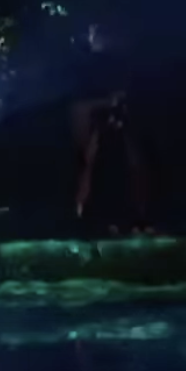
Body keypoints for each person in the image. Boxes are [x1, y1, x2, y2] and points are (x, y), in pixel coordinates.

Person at [73, 23, 151, 233]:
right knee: (90, 161)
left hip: (117, 116)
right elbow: (81, 106)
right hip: (98, 118)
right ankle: (82, 212)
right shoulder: (87, 68)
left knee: (133, 162)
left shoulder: (122, 64)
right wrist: (106, 104)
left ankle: (139, 214)